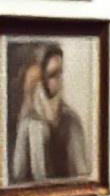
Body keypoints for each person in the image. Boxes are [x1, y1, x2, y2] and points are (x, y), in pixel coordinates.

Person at [12, 44, 89, 182]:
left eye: (60, 73)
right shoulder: (28, 122)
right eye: (53, 75)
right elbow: (18, 174)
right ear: (41, 79)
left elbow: (82, 172)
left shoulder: (71, 119)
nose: (59, 80)